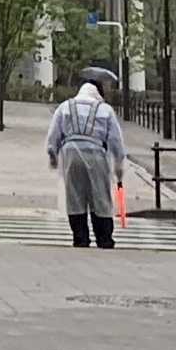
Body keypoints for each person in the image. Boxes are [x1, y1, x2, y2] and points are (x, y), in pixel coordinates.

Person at [46, 79, 125, 248]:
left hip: (70, 153)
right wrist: (118, 164)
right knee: (100, 196)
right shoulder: (105, 110)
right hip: (97, 153)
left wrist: (53, 155)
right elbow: (115, 140)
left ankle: (80, 238)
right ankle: (104, 238)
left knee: (74, 196)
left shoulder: (65, 107)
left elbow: (53, 134)